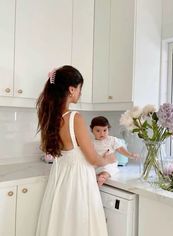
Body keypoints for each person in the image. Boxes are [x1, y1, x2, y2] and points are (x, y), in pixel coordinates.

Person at [36, 65, 116, 236]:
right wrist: (108, 160)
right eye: (80, 88)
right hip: (78, 182)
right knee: (79, 225)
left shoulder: (50, 117)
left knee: (61, 223)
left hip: (60, 179)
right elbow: (93, 159)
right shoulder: (74, 118)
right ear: (72, 89)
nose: (80, 93)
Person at [90, 116, 138, 186]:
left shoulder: (112, 140)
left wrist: (130, 155)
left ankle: (103, 176)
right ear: (92, 130)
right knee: (92, 169)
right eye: (98, 131)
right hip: (96, 164)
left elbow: (120, 149)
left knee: (109, 168)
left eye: (104, 130)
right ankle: (98, 175)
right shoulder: (91, 142)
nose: (102, 133)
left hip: (109, 164)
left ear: (108, 129)